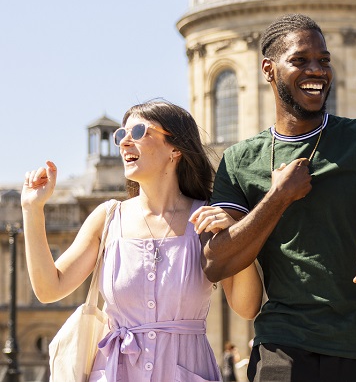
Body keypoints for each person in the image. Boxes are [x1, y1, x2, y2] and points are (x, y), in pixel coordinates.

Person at [201, 13, 356, 382]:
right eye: (300, 60)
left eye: (325, 61)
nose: (317, 70)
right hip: (280, 346)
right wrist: (279, 196)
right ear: (268, 69)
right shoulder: (238, 161)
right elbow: (216, 263)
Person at [21, 100, 262, 381]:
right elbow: (49, 288)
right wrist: (32, 210)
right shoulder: (108, 218)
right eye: (120, 135)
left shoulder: (207, 217)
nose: (124, 143)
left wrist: (236, 237)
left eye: (137, 132)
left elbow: (247, 308)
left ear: (175, 149)